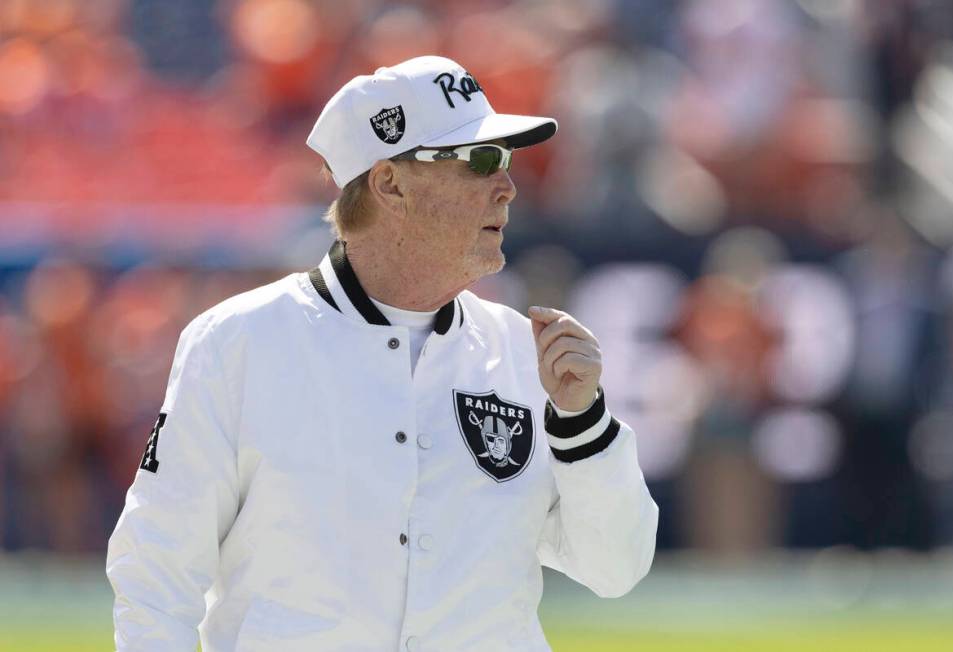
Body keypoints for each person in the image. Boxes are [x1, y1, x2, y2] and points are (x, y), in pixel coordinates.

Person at [107, 55, 658, 652]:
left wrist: (582, 422)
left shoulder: (528, 357)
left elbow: (615, 569)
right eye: (479, 160)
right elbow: (156, 574)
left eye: (504, 160)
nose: (507, 185)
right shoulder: (236, 342)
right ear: (390, 183)